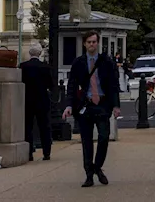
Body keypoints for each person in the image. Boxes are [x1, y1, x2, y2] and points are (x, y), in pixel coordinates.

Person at [64, 31, 121, 187]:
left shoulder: (106, 62)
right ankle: (89, 174)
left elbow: (113, 84)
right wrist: (69, 105)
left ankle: (97, 167)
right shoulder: (78, 63)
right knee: (86, 141)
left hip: (102, 104)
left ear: (98, 43)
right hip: (85, 106)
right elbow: (72, 86)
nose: (91, 44)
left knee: (104, 137)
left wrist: (116, 105)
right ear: (84, 44)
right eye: (89, 42)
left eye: (94, 42)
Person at [19, 43, 54, 161]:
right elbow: (50, 85)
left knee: (28, 127)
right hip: (42, 100)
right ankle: (46, 152)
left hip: (27, 100)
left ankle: (29, 153)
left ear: (30, 53)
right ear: (40, 53)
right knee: (44, 126)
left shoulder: (23, 66)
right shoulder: (45, 67)